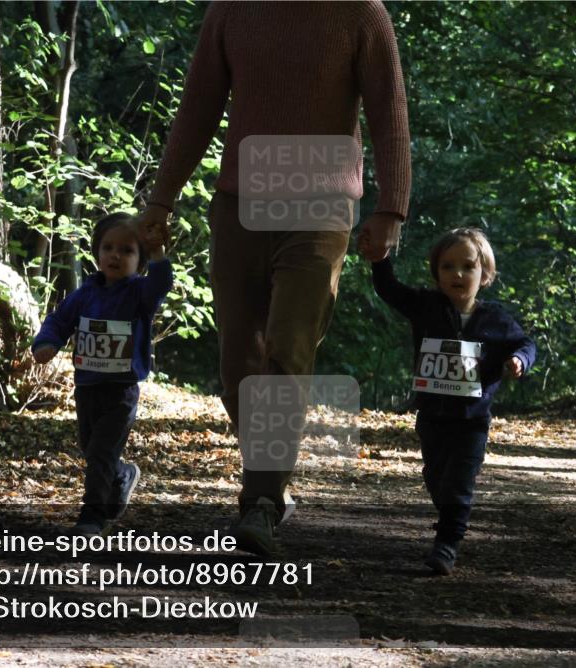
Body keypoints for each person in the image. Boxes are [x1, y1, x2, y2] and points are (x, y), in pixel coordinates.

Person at [136, 1, 412, 554]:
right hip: (239, 204)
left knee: (288, 348)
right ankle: (272, 479)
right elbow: (198, 107)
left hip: (321, 207)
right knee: (238, 363)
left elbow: (390, 111)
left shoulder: (360, 13)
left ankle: (260, 501)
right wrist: (161, 199)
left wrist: (392, 208)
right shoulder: (232, 11)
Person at [364, 227, 535, 574]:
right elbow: (388, 289)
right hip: (432, 417)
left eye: (468, 266)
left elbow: (526, 344)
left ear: (484, 274)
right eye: (448, 266)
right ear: (436, 272)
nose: (458, 274)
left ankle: (446, 545)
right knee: (437, 478)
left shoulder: (496, 319)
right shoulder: (425, 307)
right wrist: (379, 257)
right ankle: (449, 516)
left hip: (472, 420)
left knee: (459, 481)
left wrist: (520, 360)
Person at [32, 212, 172, 534]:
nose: (115, 255)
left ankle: (92, 516)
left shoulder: (139, 294)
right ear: (97, 252)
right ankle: (122, 475)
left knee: (101, 451)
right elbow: (59, 320)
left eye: (126, 250)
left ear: (140, 261)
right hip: (87, 387)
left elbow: (161, 284)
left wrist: (158, 252)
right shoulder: (86, 293)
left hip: (121, 391)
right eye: (108, 247)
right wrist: (47, 343)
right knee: (91, 448)